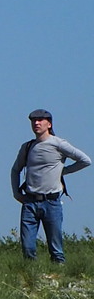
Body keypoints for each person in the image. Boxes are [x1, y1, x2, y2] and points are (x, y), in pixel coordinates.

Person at [11, 109, 90, 264]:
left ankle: (59, 277)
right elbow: (15, 170)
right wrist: (16, 193)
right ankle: (31, 278)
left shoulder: (59, 144)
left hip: (52, 202)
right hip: (29, 201)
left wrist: (62, 171)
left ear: (49, 124)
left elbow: (85, 160)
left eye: (40, 120)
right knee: (27, 248)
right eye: (33, 121)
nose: (36, 123)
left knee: (56, 248)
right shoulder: (27, 147)